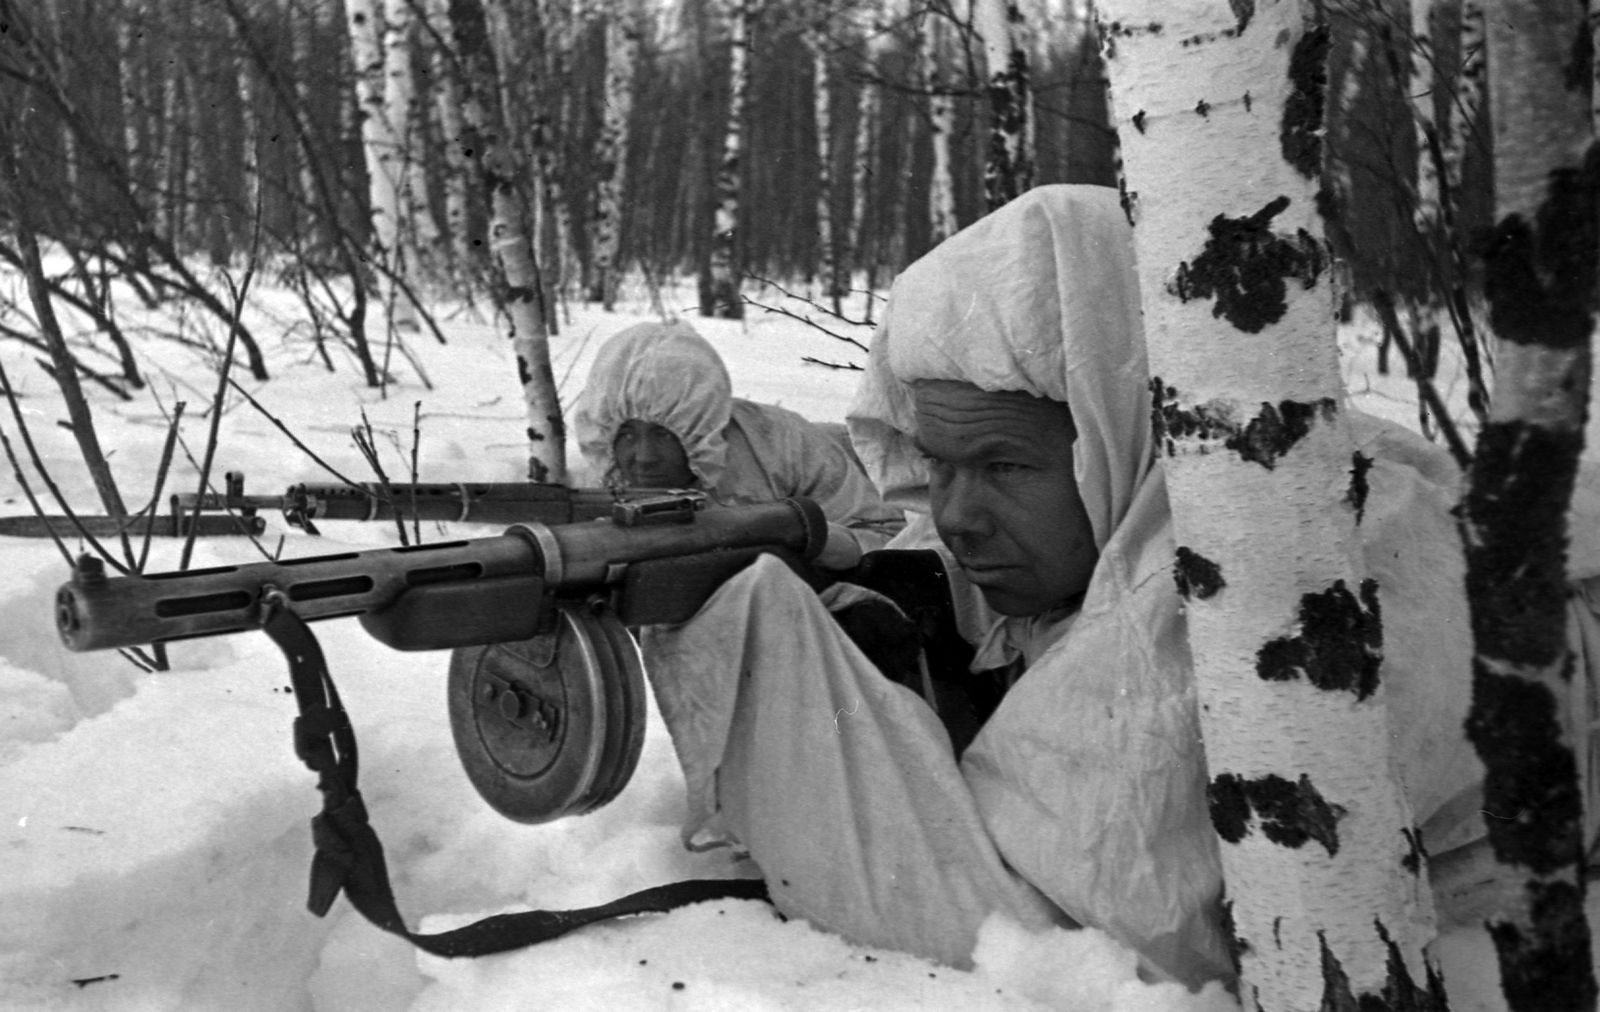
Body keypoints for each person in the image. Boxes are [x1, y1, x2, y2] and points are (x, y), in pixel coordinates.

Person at [633, 185, 1600, 988]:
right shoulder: (1255, 464)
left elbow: (1025, 933)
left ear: (1117, 424)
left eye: (1003, 470)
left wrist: (764, 655)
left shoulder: (1226, 583)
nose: (957, 512)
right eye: (937, 463)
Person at [571, 320, 903, 569]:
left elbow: (882, 536)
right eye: (627, 435)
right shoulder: (589, 489)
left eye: (663, 435)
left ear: (702, 424)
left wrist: (797, 539)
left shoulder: (780, 444)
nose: (643, 458)